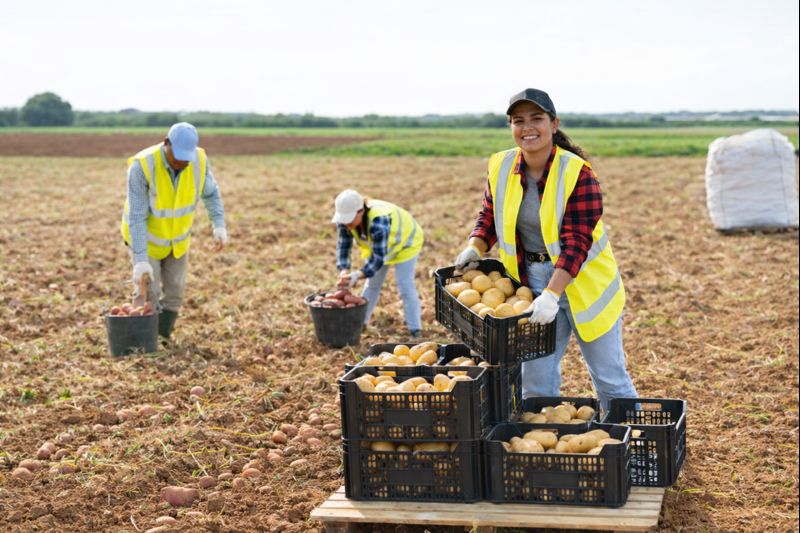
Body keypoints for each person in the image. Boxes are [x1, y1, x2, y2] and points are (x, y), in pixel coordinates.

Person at [454, 88, 637, 411]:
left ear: (554, 123)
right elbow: (490, 215)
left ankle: (636, 451)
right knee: (535, 381)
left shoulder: (577, 172)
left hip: (586, 283)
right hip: (530, 281)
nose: (528, 127)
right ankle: (540, 451)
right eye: (518, 120)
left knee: (609, 378)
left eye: (536, 119)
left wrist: (552, 294)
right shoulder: (501, 165)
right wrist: (475, 247)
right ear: (511, 127)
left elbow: (577, 241)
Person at [120, 122, 228, 341]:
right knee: (149, 292)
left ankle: (162, 336)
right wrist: (140, 260)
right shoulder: (142, 166)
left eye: (186, 158)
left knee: (175, 293)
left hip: (178, 240)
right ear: (166, 143)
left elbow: (211, 194)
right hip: (147, 240)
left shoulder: (198, 161)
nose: (181, 163)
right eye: (177, 156)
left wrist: (218, 224)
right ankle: (144, 341)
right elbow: (137, 216)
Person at [332, 189, 424, 338]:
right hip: (379, 248)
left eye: (349, 219)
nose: (347, 223)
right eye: (344, 219)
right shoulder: (345, 221)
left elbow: (378, 260)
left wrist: (357, 275)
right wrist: (344, 270)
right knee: (372, 285)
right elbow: (344, 246)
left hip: (406, 244)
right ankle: (360, 324)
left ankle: (415, 330)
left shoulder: (379, 221)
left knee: (405, 285)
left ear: (361, 211)